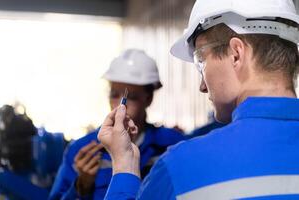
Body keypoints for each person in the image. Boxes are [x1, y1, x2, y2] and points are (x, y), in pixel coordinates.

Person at [98, 0, 299, 199]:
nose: (202, 86)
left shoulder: (181, 166)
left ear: (236, 54)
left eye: (201, 62)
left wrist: (125, 165)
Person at [49, 49, 185, 200]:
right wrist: (81, 186)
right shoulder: (81, 150)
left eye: (131, 97)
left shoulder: (172, 144)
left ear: (149, 98)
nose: (120, 105)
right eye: (114, 95)